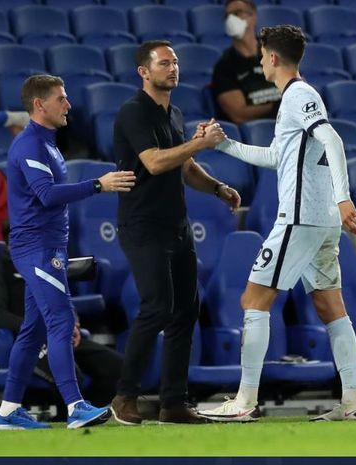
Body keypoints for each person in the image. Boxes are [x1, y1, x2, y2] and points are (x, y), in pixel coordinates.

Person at [197, 25, 356, 423]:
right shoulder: (295, 98)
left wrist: (344, 198)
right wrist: (224, 145)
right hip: (321, 222)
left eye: (261, 55)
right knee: (330, 307)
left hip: (301, 219)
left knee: (253, 301)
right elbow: (279, 156)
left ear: (272, 57)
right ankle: (353, 402)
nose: (259, 61)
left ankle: (244, 401)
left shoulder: (299, 95)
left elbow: (334, 141)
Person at [0, 74, 136, 431]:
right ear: (40, 105)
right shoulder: (29, 146)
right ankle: (75, 406)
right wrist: (98, 185)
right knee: (59, 323)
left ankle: (8, 412)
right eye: (61, 98)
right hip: (37, 248)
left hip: (47, 247)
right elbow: (46, 194)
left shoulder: (48, 143)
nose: (68, 104)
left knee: (33, 330)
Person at [110, 40, 240, 426]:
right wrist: (197, 143)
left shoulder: (176, 113)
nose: (173, 68)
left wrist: (217, 187)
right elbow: (153, 163)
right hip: (143, 225)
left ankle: (173, 402)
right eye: (164, 63)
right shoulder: (134, 112)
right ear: (144, 72)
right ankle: (125, 395)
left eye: (176, 62)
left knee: (186, 311)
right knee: (156, 307)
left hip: (176, 226)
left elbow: (185, 167)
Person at [0, 221, 124, 413]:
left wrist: (74, 323)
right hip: (29, 339)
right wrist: (43, 328)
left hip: (61, 334)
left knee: (118, 367)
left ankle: (89, 414)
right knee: (72, 375)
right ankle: (69, 418)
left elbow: (64, 299)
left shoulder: (44, 265)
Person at [210, 0, 281, 124]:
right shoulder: (224, 66)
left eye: (237, 13)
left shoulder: (276, 53)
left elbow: (298, 87)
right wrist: (276, 107)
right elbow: (238, 115)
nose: (231, 19)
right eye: (228, 15)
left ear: (253, 17)